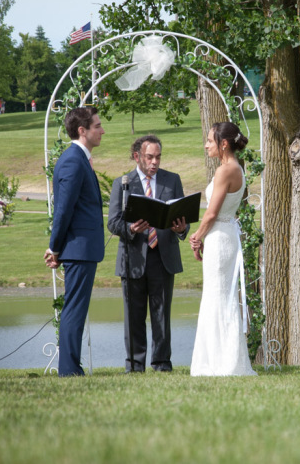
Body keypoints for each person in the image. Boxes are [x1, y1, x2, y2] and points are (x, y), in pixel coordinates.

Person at [107, 135, 188, 373]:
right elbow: (113, 223)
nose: (155, 162)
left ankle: (162, 364)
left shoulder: (172, 180)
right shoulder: (122, 184)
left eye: (158, 157)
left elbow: (182, 216)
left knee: (162, 314)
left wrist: (182, 229)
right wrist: (131, 228)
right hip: (133, 257)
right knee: (134, 316)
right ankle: (134, 365)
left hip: (163, 257)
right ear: (137, 156)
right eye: (150, 157)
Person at [188, 122, 256, 377]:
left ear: (223, 143)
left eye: (209, 140)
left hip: (220, 236)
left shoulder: (225, 170)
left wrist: (196, 236)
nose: (206, 145)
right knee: (221, 296)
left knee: (218, 298)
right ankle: (223, 360)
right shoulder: (235, 167)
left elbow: (212, 213)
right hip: (225, 235)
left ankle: (219, 363)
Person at [45, 107, 106, 377]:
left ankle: (71, 367)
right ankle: (69, 369)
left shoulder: (80, 158)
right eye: (97, 126)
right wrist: (54, 246)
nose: (102, 130)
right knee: (73, 310)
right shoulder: (73, 160)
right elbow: (64, 209)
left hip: (82, 247)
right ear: (82, 130)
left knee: (76, 309)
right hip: (77, 247)